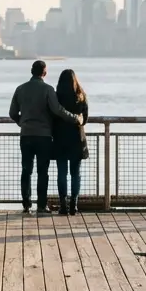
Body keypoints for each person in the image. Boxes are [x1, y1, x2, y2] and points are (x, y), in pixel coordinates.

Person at [9, 60, 81, 215]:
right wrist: (74, 118)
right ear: (45, 72)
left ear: (31, 71)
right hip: (44, 136)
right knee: (43, 171)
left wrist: (22, 122)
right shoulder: (48, 90)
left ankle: (26, 204)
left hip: (26, 135)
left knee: (26, 170)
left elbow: (12, 113)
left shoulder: (20, 89)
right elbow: (58, 110)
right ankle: (41, 205)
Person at [53, 69, 90, 216]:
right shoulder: (81, 96)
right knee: (76, 173)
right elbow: (85, 119)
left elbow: (53, 116)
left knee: (62, 172)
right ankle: (74, 205)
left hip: (60, 138)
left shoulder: (56, 97)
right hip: (76, 137)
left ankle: (63, 205)